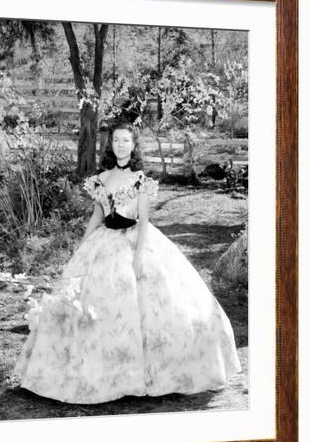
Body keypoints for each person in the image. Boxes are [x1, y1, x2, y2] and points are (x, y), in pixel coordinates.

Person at [13, 122, 242, 404]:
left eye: (126, 141)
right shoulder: (102, 177)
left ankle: (158, 372)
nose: (121, 145)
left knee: (157, 304)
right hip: (104, 241)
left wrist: (137, 258)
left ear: (133, 145)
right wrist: (82, 246)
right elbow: (98, 215)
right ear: (111, 144)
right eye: (117, 140)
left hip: (135, 241)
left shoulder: (140, 179)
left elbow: (144, 221)